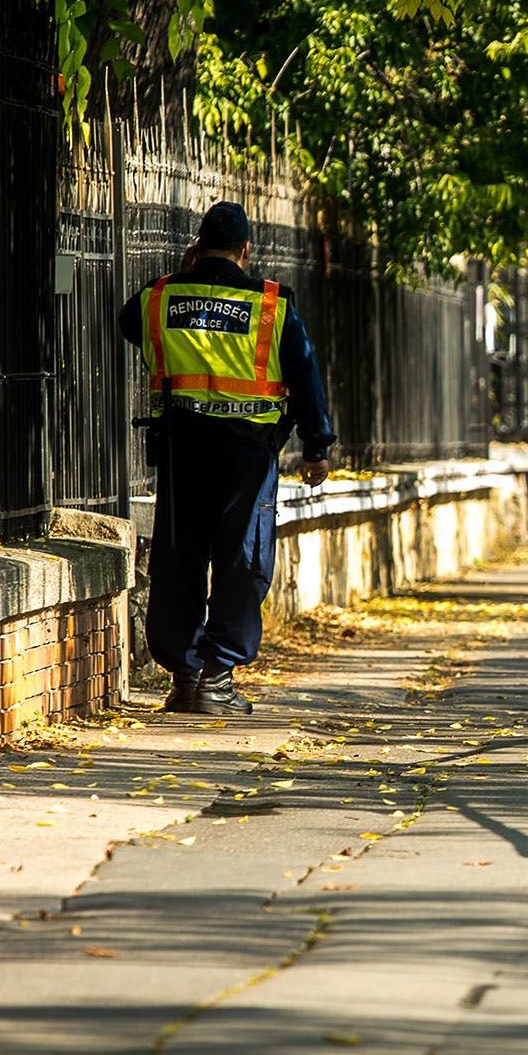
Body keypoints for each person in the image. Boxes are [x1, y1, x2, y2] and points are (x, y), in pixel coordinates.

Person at [129, 201, 334, 718]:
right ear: (247, 250)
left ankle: (185, 675)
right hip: (248, 453)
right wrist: (317, 446)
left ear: (196, 247)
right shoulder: (272, 305)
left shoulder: (161, 295)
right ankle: (218, 678)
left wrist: (184, 275)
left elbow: (132, 325)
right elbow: (305, 375)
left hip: (182, 448)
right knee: (243, 557)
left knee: (179, 555)